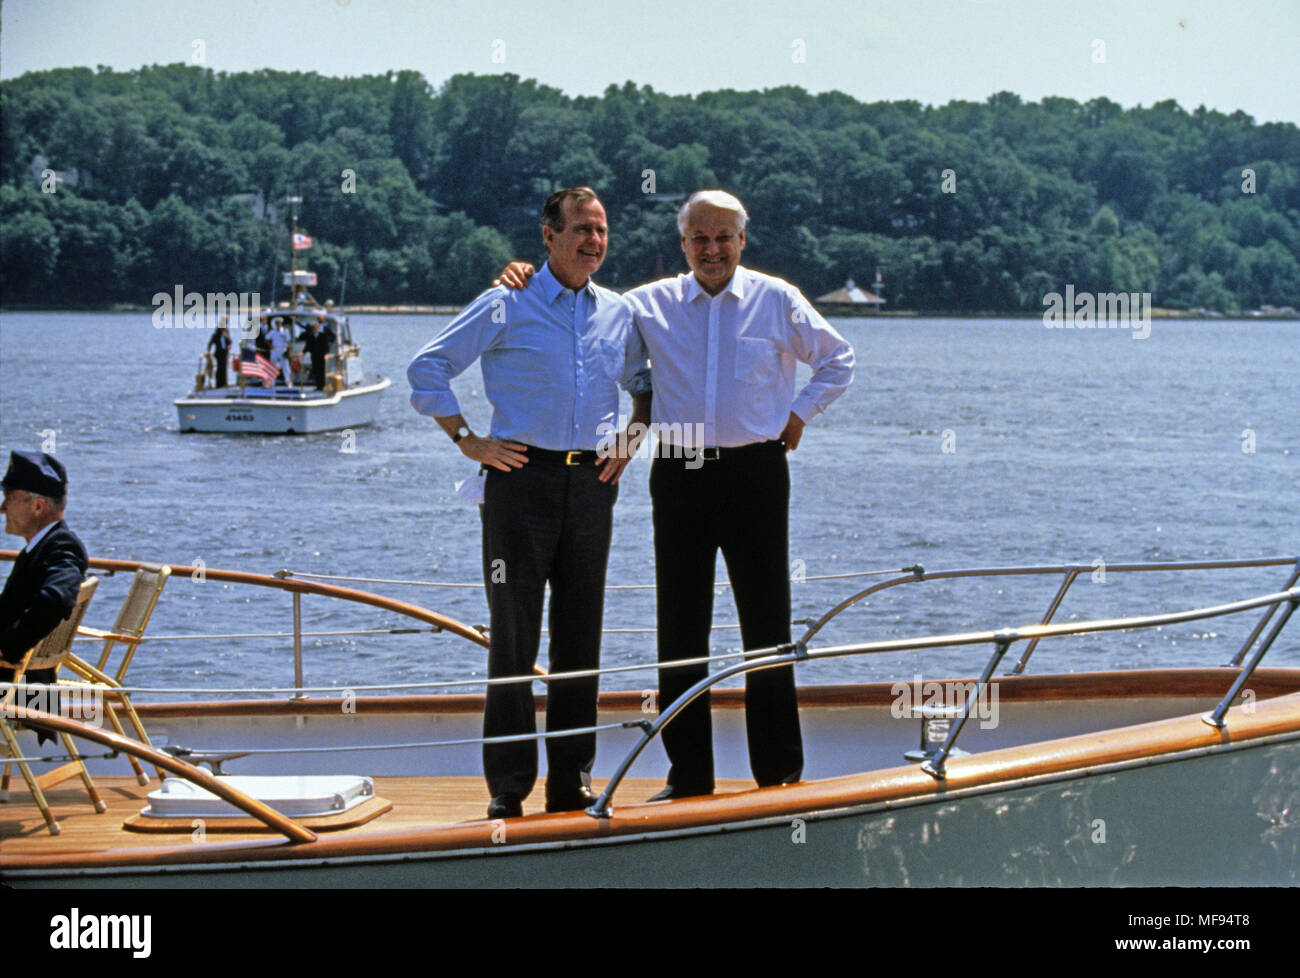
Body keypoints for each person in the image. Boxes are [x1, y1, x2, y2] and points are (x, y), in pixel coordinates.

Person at [497, 190, 855, 800]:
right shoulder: (647, 304)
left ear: (742, 241)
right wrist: (521, 275)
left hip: (757, 470)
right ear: (683, 244)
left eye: (723, 238)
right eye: (699, 239)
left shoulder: (776, 299)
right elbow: (581, 300)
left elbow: (838, 360)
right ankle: (689, 777)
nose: (711, 250)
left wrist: (797, 417)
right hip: (681, 468)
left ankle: (779, 774)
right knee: (680, 630)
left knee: (766, 627)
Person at [408, 187, 650, 819]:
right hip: (519, 482)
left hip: (594, 484)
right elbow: (427, 368)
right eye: (580, 230)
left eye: (601, 229)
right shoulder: (505, 302)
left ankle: (570, 782)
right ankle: (508, 788)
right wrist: (467, 440)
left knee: (580, 637)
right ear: (548, 236)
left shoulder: (619, 312)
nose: (592, 240)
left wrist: (636, 428)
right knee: (513, 638)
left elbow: (644, 381)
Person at [0, 451, 89, 730]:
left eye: (9, 499)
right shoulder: (41, 547)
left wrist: (6, 650)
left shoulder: (61, 547)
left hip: (23, 692)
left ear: (38, 507)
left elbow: (56, 599)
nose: (2, 508)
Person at [301, 314, 333, 390]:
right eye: (313, 328)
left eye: (316, 328)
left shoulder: (323, 336)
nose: (315, 329)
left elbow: (326, 345)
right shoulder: (311, 337)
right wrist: (303, 352)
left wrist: (326, 353)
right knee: (315, 370)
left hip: (321, 355)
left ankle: (322, 385)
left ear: (318, 328)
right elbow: (307, 346)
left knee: (322, 370)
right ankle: (318, 385)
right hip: (314, 355)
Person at [207, 318, 232, 388]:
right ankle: (218, 384)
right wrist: (208, 351)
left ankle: (224, 383)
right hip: (218, 354)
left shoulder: (226, 331)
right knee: (219, 369)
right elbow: (211, 341)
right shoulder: (217, 331)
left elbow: (230, 341)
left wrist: (226, 338)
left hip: (225, 353)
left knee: (224, 369)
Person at [268, 318, 292, 387]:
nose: (278, 325)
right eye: (277, 324)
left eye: (279, 323)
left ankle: (288, 382)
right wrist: (270, 346)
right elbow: (267, 339)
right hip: (275, 350)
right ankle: (272, 382)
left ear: (281, 324)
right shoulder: (272, 332)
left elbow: (288, 341)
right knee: (273, 366)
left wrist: (289, 351)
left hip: (282, 350)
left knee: (285, 366)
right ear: (275, 324)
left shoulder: (285, 332)